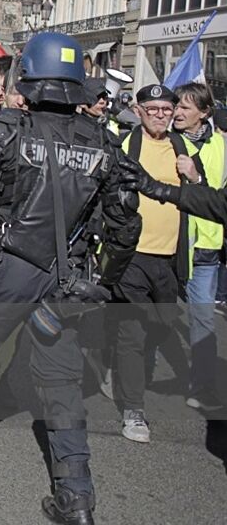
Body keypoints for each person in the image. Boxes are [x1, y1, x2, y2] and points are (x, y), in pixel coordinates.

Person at [0, 32, 140, 525]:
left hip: (6, 268)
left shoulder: (1, 129)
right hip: (67, 278)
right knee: (60, 380)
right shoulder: (105, 141)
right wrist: (99, 283)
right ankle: (76, 495)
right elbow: (127, 227)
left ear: (30, 79)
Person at [107, 84, 200, 443]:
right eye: (153, 109)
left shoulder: (184, 149)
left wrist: (193, 176)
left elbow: (203, 196)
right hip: (131, 257)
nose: (161, 115)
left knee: (160, 326)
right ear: (138, 110)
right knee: (133, 333)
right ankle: (133, 410)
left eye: (166, 109)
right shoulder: (125, 145)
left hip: (170, 257)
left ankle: (111, 357)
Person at [171, 82, 224, 410]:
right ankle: (124, 375)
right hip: (167, 245)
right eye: (176, 105)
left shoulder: (221, 146)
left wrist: (195, 179)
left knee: (203, 320)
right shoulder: (166, 140)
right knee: (151, 316)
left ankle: (202, 386)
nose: (177, 111)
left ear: (204, 113)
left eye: (186, 108)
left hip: (204, 248)